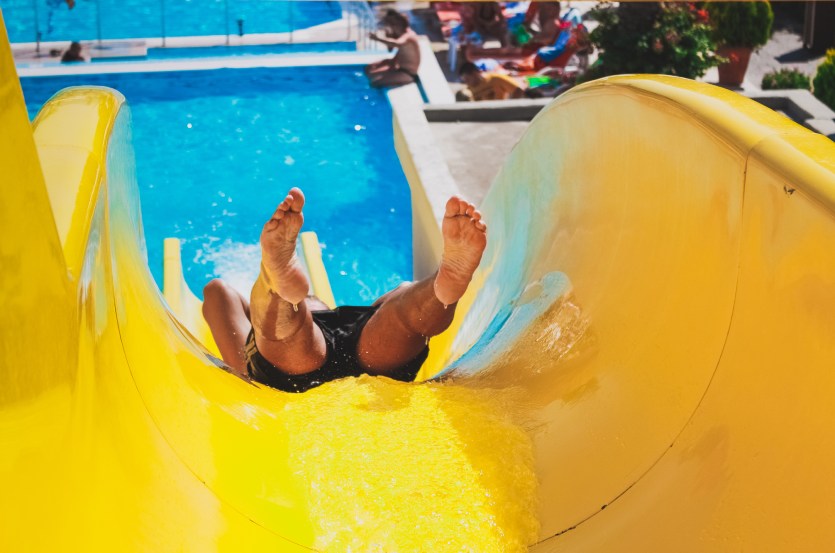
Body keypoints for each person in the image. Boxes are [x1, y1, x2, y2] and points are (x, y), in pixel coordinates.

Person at [202, 188, 487, 393]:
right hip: (360, 341)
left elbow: (218, 291)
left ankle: (275, 286)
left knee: (281, 328)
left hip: (293, 369)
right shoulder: (325, 315)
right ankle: (441, 290)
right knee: (402, 314)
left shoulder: (277, 323)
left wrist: (246, 375)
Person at [364, 9, 421, 88]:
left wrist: (377, 39)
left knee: (374, 82)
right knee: (368, 69)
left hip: (407, 74)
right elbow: (396, 57)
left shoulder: (409, 36)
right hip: (398, 68)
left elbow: (396, 43)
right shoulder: (402, 35)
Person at [456, 62, 524, 101]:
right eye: (465, 81)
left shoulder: (496, 79)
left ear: (475, 73)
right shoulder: (469, 90)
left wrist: (510, 107)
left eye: (468, 80)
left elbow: (518, 90)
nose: (467, 83)